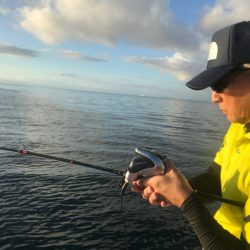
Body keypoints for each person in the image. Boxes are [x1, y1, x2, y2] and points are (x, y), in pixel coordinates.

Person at [132, 21, 250, 249]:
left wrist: (186, 201)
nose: (214, 97)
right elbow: (217, 178)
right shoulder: (240, 126)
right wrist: (176, 188)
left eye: (220, 83)